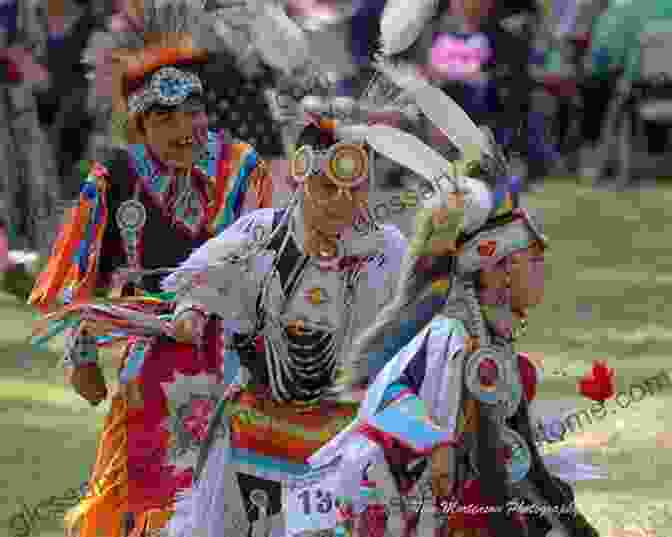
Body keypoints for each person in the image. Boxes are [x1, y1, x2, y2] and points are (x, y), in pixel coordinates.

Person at [27, 2, 274, 536]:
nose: (185, 129)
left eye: (193, 112)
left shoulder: (240, 168)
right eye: (165, 118)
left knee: (224, 487)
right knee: (145, 482)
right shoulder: (116, 176)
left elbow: (265, 267)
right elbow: (85, 276)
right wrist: (82, 357)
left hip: (228, 353)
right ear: (140, 125)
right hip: (153, 355)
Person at [309, 124, 603, 537]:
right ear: (494, 268)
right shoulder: (453, 337)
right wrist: (437, 444)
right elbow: (386, 398)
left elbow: (513, 456)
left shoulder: (489, 340)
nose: (542, 272)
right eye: (532, 260)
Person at [161, 111, 408, 537]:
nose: (341, 201)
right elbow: (201, 281)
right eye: (326, 187)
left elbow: (419, 320)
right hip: (260, 432)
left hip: (345, 438)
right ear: (300, 179)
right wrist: (191, 313)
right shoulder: (263, 234)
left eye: (354, 189)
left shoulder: (387, 249)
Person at [581, 0, 672, 179]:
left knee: (601, 91)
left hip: (636, 85)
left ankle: (598, 163)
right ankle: (655, 156)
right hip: (655, 86)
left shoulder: (617, 10)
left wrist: (628, 76)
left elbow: (600, 58)